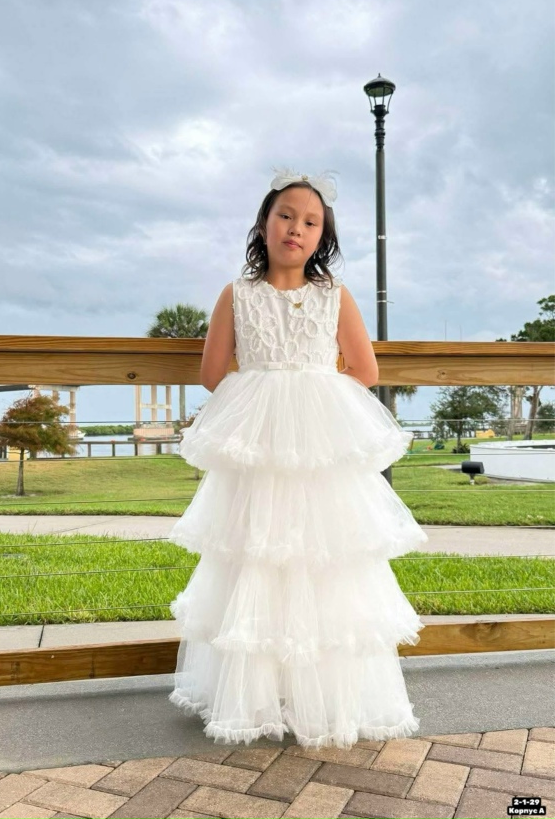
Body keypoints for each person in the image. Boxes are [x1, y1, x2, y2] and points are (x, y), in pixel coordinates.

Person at [167, 166, 429, 749]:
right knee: (257, 555)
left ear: (321, 238)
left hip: (318, 444)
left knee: (322, 557)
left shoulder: (334, 296)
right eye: (285, 216)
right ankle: (257, 694)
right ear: (264, 224)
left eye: (311, 222)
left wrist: (310, 391)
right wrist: (268, 391)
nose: (296, 228)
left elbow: (364, 370)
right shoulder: (237, 295)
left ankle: (325, 694)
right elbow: (212, 373)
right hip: (259, 446)